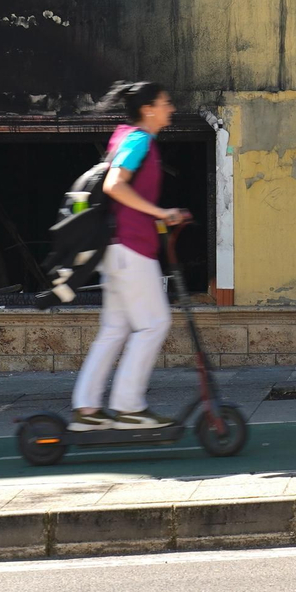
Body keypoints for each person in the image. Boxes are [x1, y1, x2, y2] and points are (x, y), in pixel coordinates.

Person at [70, 81, 188, 431]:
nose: (171, 109)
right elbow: (114, 185)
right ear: (148, 108)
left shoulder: (126, 137)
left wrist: (163, 214)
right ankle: (129, 408)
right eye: (166, 103)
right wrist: (160, 212)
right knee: (154, 323)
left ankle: (87, 410)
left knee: (115, 328)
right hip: (131, 249)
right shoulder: (138, 140)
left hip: (118, 248)